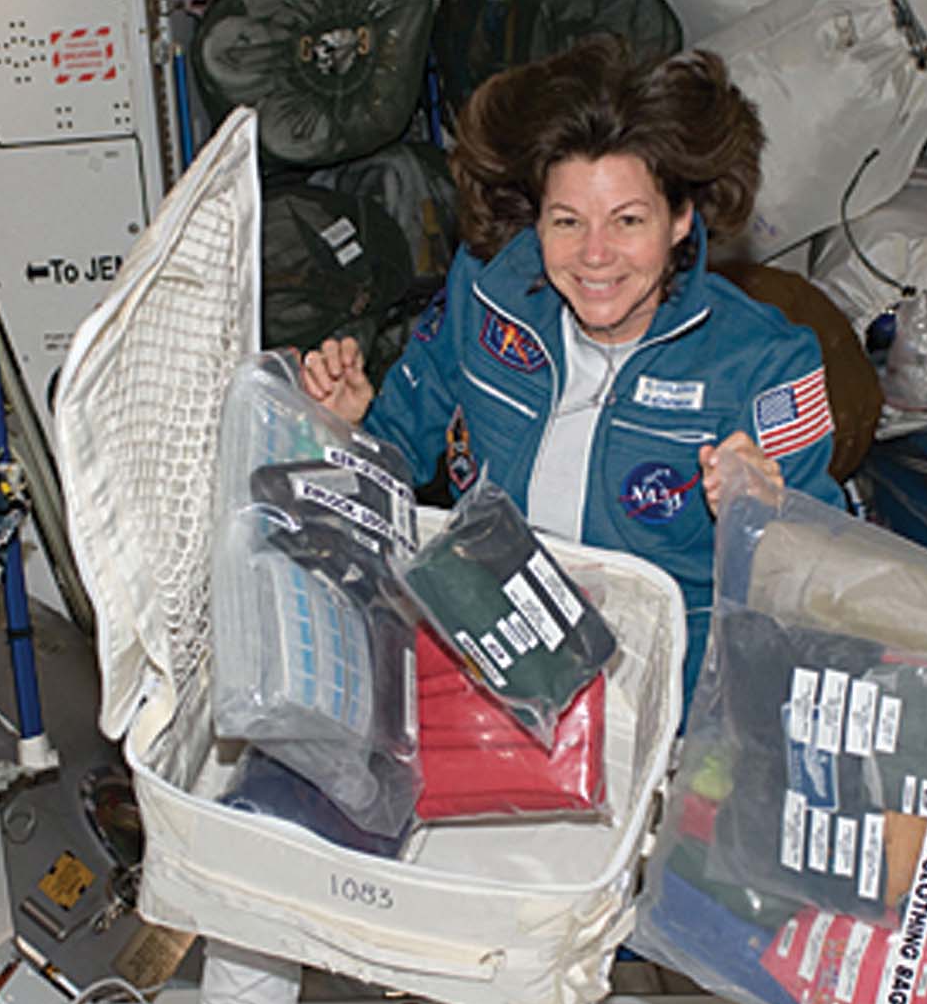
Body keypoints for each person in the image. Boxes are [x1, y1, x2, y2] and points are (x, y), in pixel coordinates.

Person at [300, 35, 845, 704]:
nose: (594, 256)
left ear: (680, 219)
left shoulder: (765, 364)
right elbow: (397, 449)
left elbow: (819, 577)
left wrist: (766, 517)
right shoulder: (488, 290)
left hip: (669, 694)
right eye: (566, 221)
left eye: (627, 221)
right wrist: (347, 427)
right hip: (495, 653)